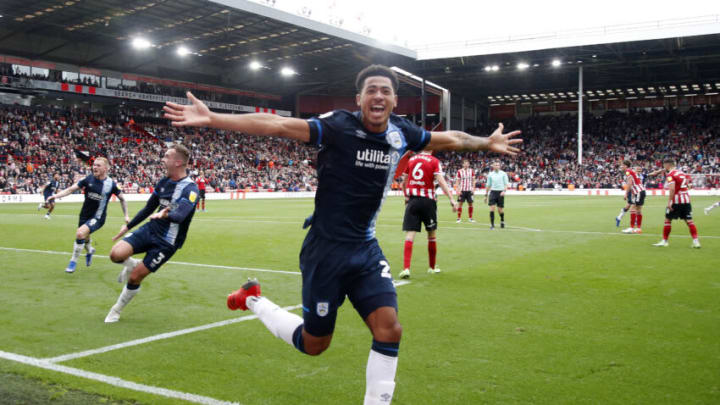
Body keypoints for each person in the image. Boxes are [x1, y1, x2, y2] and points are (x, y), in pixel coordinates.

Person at [163, 64, 521, 405]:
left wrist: (485, 142)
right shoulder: (338, 125)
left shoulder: (402, 132)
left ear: (395, 101)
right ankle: (253, 299)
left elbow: (451, 139)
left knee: (389, 329)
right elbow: (277, 124)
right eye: (371, 91)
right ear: (359, 99)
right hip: (326, 251)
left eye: (385, 91)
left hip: (365, 250)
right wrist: (213, 118)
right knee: (315, 344)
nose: (378, 96)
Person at [105, 144, 199, 323]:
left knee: (134, 277)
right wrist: (128, 227)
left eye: (166, 156)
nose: (162, 159)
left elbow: (179, 216)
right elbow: (148, 207)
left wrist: (165, 213)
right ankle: (133, 263)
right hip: (151, 229)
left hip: (168, 241)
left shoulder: (190, 189)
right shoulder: (164, 182)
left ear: (178, 162)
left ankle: (116, 309)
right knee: (115, 254)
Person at [48, 158, 129, 273]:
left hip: (98, 217)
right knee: (85, 237)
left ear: (105, 168)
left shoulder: (111, 184)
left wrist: (126, 215)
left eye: (98, 165)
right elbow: (71, 189)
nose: (94, 167)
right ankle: (90, 250)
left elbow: (122, 199)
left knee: (80, 233)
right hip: (84, 215)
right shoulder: (88, 179)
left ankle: (73, 261)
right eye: (94, 165)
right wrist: (55, 196)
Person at [398, 151, 457, 279]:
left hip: (413, 201)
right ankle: (432, 267)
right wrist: (451, 198)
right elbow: (440, 181)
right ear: (432, 149)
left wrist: (406, 196)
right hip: (428, 202)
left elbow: (403, 182)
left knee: (410, 235)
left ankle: (406, 268)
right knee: (431, 234)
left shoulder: (411, 160)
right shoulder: (434, 161)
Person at [653, 158, 700, 248]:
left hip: (676, 200)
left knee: (667, 220)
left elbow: (672, 189)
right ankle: (696, 241)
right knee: (689, 221)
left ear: (668, 165)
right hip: (686, 200)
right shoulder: (682, 173)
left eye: (664, 165)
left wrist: (670, 202)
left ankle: (664, 241)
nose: (664, 167)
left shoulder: (671, 174)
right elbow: (689, 185)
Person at [620, 161, 646, 234]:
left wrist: (626, 193)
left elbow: (630, 183)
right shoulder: (632, 171)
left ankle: (631, 228)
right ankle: (638, 229)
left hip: (638, 192)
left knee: (632, 209)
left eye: (622, 165)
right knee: (638, 210)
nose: (621, 167)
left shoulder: (628, 172)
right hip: (641, 191)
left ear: (625, 166)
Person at [484, 161, 509, 229]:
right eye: (495, 165)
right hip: (493, 192)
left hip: (501, 192)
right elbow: (488, 185)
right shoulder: (490, 174)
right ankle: (492, 225)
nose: (497, 166)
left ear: (500, 166)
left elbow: (506, 184)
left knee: (500, 210)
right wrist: (486, 195)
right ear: (493, 166)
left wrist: (504, 191)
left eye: (498, 165)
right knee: (492, 209)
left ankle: (502, 220)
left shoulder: (503, 174)